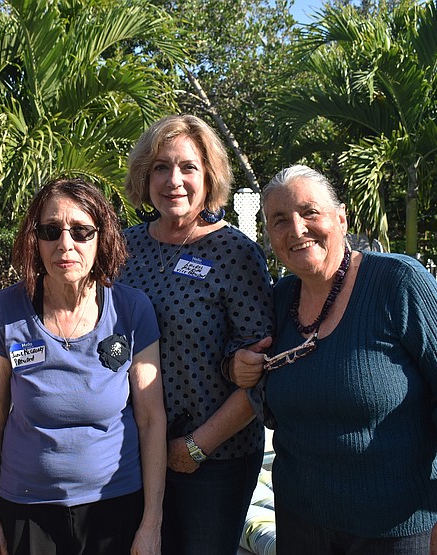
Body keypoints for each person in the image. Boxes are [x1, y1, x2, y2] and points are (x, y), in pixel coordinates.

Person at [253, 164, 437, 554]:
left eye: (309, 212)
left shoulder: (399, 282)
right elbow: (251, 376)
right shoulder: (279, 301)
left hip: (399, 533)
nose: (296, 229)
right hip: (301, 524)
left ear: (341, 218)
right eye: (279, 220)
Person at [0, 177, 166, 555]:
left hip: (114, 507)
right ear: (35, 239)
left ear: (102, 238)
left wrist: (151, 523)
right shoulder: (5, 310)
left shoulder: (131, 310)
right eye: (51, 231)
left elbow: (151, 419)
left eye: (81, 231)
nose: (66, 244)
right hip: (26, 509)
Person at [117, 114, 274, 555]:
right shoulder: (125, 248)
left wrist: (197, 447)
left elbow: (260, 369)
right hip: (133, 450)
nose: (174, 180)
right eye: (161, 167)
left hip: (213, 459)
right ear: (145, 177)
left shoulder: (235, 253)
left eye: (188, 167)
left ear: (209, 176)